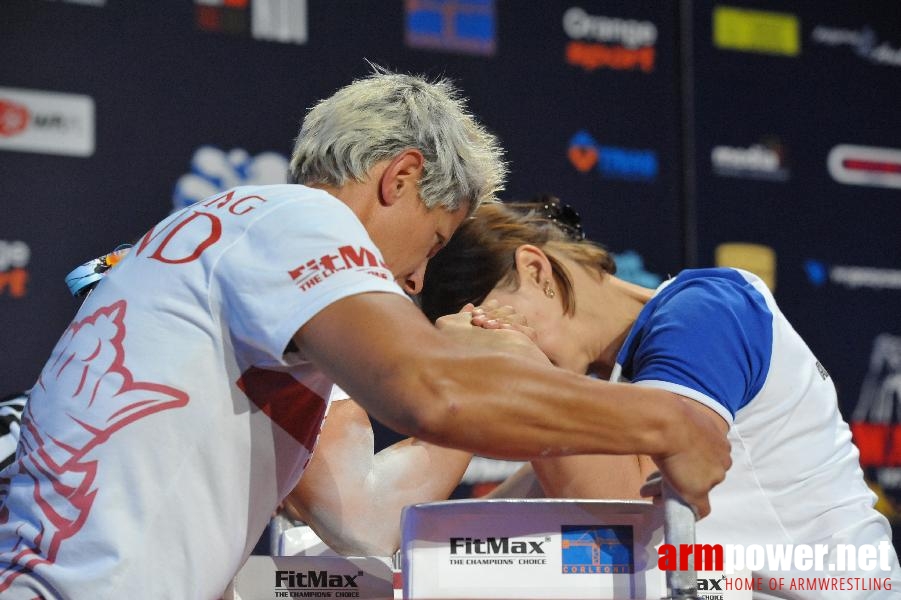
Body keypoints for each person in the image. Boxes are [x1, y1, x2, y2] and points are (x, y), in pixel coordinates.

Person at [0, 69, 729, 599]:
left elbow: (364, 520)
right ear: (400, 177)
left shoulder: (244, 253)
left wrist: (473, 377)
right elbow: (427, 391)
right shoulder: (295, 220)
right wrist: (670, 422)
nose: (415, 281)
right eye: (435, 241)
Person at [419, 199, 901, 598]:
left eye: (492, 323)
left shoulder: (703, 310)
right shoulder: (603, 397)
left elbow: (630, 509)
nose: (503, 342)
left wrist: (511, 363)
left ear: (535, 269)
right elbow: (471, 535)